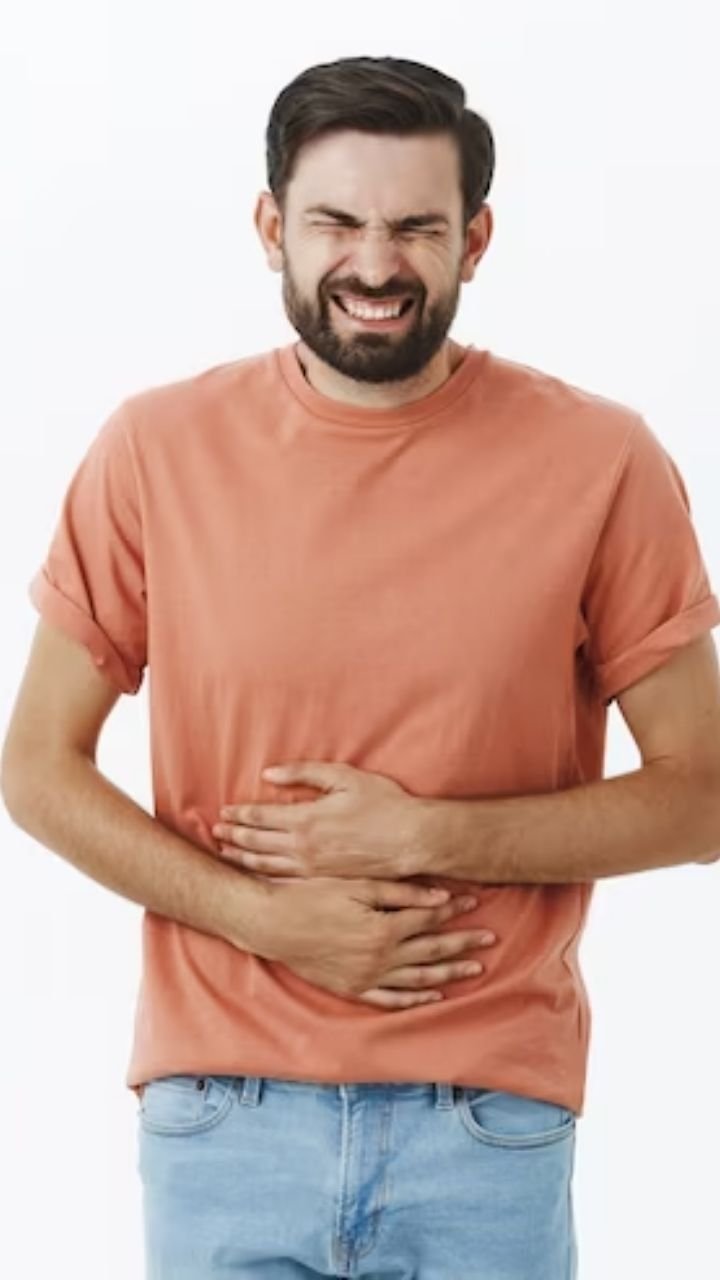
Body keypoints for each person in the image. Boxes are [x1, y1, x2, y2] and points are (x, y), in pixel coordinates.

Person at [3, 54, 720, 1280]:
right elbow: (35, 765)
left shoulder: (603, 460)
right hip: (222, 1115)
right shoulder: (154, 448)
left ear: (475, 239)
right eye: (336, 221)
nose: (375, 265)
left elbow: (703, 794)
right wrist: (261, 918)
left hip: (485, 1121)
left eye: (416, 228)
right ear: (271, 227)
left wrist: (427, 833)